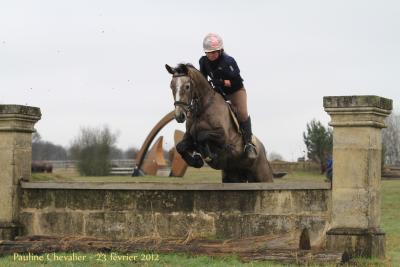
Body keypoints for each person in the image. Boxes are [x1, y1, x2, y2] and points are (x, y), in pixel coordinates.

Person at [199, 33, 257, 159]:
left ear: (220, 50)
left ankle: (248, 144)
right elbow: (203, 80)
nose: (212, 55)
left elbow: (237, 81)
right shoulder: (203, 61)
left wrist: (221, 82)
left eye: (215, 52)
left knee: (242, 113)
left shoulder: (228, 61)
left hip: (235, 91)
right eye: (209, 52)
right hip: (219, 91)